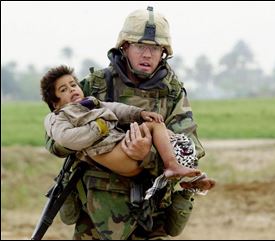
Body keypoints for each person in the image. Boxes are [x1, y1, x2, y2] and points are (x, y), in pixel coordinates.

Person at [44, 6, 215, 240]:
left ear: (164, 52)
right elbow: (54, 141)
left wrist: (145, 155)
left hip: (151, 215)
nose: (147, 54)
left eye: (155, 48)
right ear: (124, 47)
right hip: (97, 216)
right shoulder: (93, 86)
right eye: (140, 46)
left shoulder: (172, 94)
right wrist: (91, 138)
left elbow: (189, 150)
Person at [40, 65, 201, 179]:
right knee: (154, 130)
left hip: (121, 147)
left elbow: (116, 109)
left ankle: (185, 172)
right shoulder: (57, 116)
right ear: (55, 102)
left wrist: (140, 114)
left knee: (161, 129)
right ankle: (172, 166)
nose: (72, 89)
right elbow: (66, 138)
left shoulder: (90, 103)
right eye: (63, 90)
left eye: (73, 85)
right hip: (112, 153)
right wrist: (100, 127)